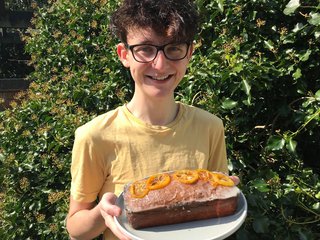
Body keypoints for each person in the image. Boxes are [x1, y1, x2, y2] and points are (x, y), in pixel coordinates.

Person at [66, 0, 239, 239]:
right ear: (124, 55)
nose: (160, 64)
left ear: (189, 53)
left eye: (175, 48)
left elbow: (217, 208)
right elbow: (75, 229)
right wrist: (101, 213)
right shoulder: (95, 136)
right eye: (145, 49)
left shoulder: (210, 127)